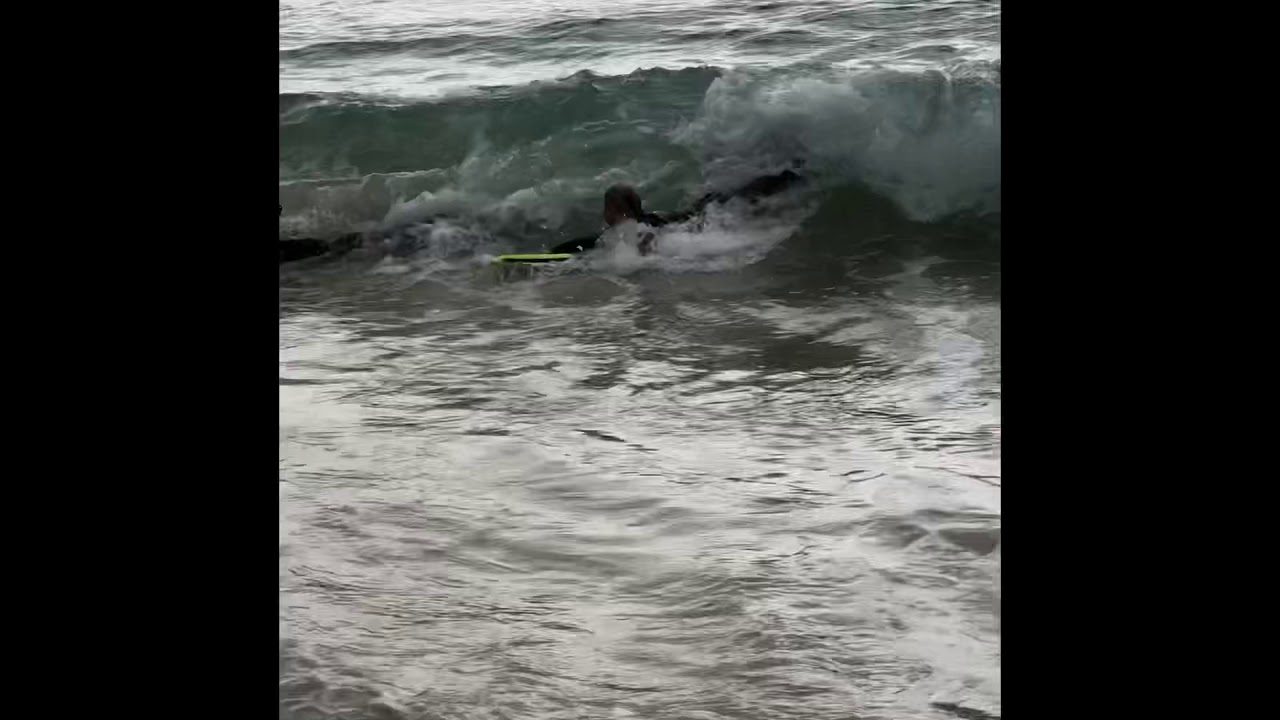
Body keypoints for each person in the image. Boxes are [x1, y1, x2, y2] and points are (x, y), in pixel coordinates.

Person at [548, 169, 804, 256]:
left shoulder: (637, 230)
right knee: (739, 196)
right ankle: (789, 175)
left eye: (608, 208)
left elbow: (592, 243)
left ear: (616, 209)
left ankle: (788, 177)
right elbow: (593, 243)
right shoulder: (634, 225)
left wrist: (556, 253)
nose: (606, 213)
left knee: (745, 196)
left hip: (699, 215)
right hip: (693, 213)